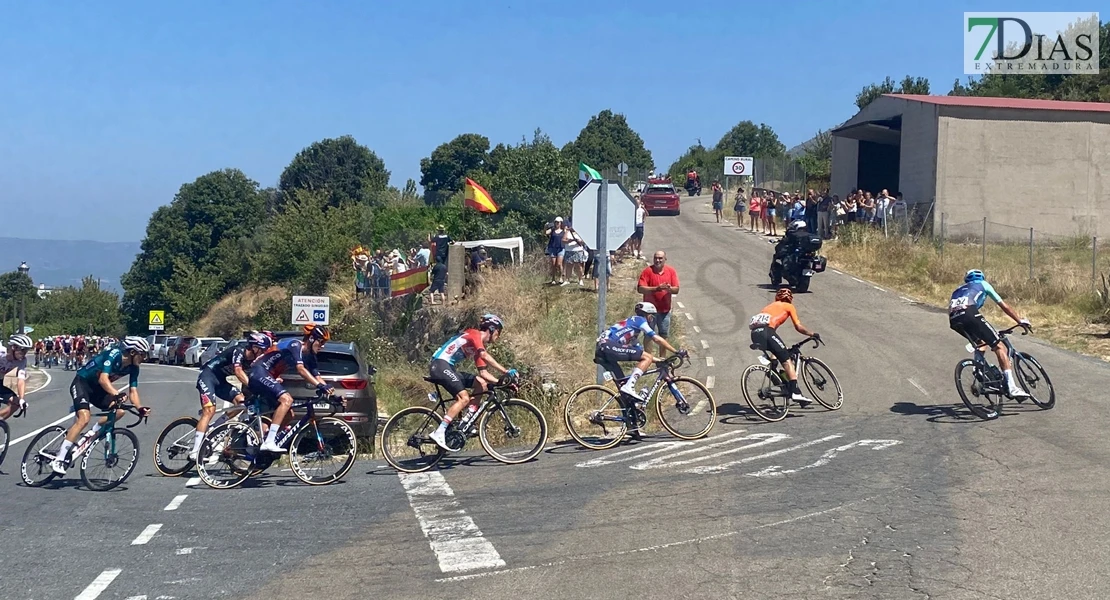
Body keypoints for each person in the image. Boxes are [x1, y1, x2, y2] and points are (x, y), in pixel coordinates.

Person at [52, 336, 152, 475]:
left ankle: (92, 433)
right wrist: (116, 394)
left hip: (98, 390)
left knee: (119, 411)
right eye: (143, 354)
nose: (144, 358)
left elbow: (133, 391)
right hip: (83, 383)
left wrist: (140, 408)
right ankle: (59, 458)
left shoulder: (134, 368)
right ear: (133, 352)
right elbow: (103, 379)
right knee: (84, 418)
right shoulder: (114, 354)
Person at [427, 314, 516, 451]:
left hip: (447, 367)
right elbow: (484, 355)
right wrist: (506, 372)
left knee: (481, 383)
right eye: (499, 332)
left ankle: (467, 420)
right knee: (463, 398)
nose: (499, 336)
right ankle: (439, 432)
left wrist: (501, 383)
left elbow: (484, 373)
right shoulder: (474, 334)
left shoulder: (476, 347)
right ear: (492, 329)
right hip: (439, 365)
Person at [249, 324, 336, 453]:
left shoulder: (310, 356)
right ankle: (269, 442)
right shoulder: (296, 345)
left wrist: (333, 394)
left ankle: (265, 441)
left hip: (268, 375)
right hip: (259, 371)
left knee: (289, 415)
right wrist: (320, 386)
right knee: (287, 400)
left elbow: (317, 376)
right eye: (321, 341)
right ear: (311, 339)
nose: (323, 346)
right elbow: (301, 370)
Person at [189, 332, 272, 461]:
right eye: (263, 350)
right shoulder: (238, 351)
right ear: (255, 348)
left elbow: (252, 377)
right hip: (207, 376)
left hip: (221, 381)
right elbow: (238, 372)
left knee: (242, 404)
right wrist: (253, 386)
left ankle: (213, 428)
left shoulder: (253, 362)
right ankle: (195, 451)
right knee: (209, 410)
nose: (264, 353)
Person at [949, 270, 1032, 399]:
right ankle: (1012, 387)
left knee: (981, 343)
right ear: (981, 277)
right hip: (969, 314)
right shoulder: (983, 284)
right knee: (999, 347)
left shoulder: (958, 290)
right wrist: (1019, 321)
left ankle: (979, 371)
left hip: (954, 319)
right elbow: (1004, 306)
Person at [594, 302, 682, 408]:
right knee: (631, 380)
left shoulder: (632, 329)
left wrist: (660, 361)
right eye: (652, 317)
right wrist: (676, 351)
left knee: (623, 386)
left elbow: (642, 353)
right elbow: (656, 338)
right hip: (607, 345)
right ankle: (629, 387)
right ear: (649, 316)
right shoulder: (640, 320)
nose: (652, 319)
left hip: (603, 348)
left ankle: (630, 417)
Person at [749, 288, 818, 404]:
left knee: (777, 354)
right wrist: (812, 334)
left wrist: (774, 356)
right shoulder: (788, 306)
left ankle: (777, 378)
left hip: (755, 334)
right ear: (790, 298)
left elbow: (771, 338)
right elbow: (798, 326)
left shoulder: (768, 307)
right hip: (767, 333)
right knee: (786, 361)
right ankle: (796, 392)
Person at [636, 250, 680, 357]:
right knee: (648, 335)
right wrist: (656, 288)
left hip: (664, 310)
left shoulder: (671, 271)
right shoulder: (647, 271)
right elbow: (640, 288)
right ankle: (648, 358)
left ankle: (662, 359)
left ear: (665, 259)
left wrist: (669, 289)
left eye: (660, 258)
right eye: (656, 258)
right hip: (649, 312)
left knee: (663, 335)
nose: (658, 260)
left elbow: (676, 289)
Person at [770, 220, 814, 285]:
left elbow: (784, 242)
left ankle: (778, 277)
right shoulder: (808, 236)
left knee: (778, 257)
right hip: (803, 258)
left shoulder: (792, 235)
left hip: (796, 258)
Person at [0, 334, 33, 420]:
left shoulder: (22, 361)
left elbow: (21, 380)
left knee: (17, 403)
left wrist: (21, 399)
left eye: (27, 350)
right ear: (13, 347)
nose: (25, 353)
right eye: (23, 350)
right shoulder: (1, 352)